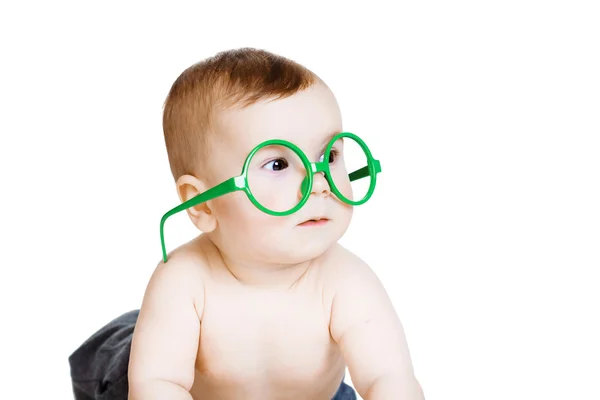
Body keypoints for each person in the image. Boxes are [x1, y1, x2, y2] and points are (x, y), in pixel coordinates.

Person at [68, 47, 424, 400]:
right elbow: (158, 383)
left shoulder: (346, 280)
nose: (319, 183)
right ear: (204, 203)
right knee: (131, 366)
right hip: (166, 386)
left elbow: (388, 376)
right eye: (278, 165)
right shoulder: (184, 279)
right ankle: (131, 336)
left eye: (329, 156)